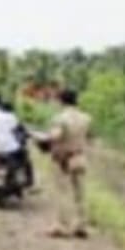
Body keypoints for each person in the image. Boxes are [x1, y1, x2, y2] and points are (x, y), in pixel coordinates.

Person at [36, 90, 93, 239]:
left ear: (61, 101)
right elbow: (89, 137)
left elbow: (55, 136)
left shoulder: (60, 118)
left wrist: (40, 137)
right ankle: (82, 225)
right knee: (80, 193)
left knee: (63, 193)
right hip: (80, 157)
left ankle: (63, 226)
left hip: (64, 160)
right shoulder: (86, 118)